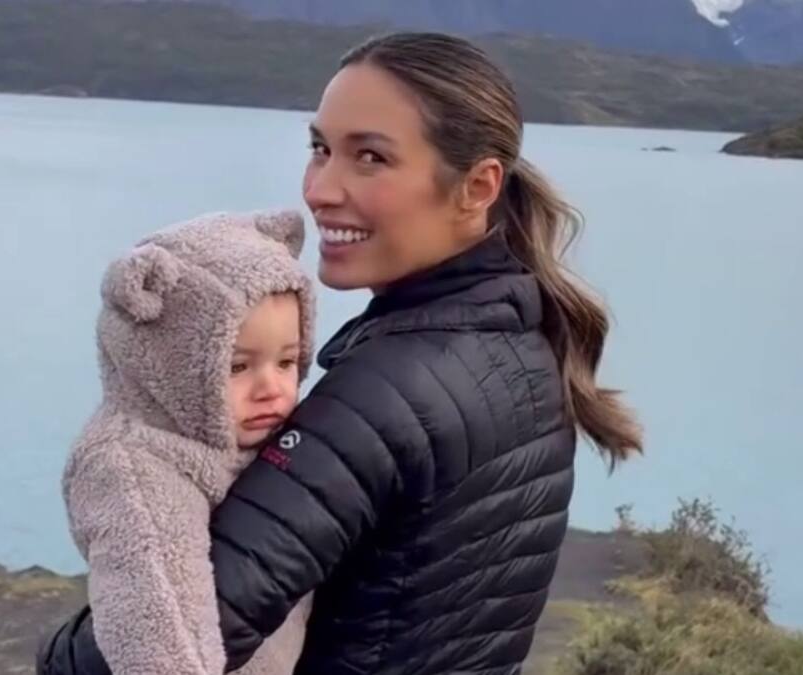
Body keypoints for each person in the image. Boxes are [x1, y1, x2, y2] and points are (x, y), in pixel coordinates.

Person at [38, 30, 642, 675]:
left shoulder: (388, 393)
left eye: (371, 158)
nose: (321, 188)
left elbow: (180, 628)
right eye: (320, 148)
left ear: (477, 186)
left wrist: (55, 653)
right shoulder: (523, 341)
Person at [52, 209, 317, 675]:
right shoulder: (133, 469)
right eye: (237, 367)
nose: (271, 388)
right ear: (168, 365)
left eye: (287, 361)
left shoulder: (266, 435)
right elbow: (159, 625)